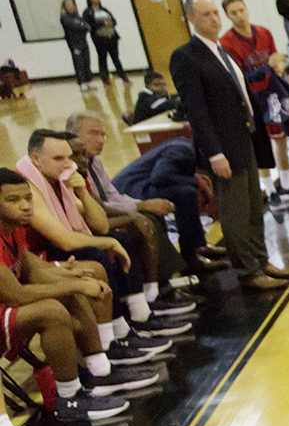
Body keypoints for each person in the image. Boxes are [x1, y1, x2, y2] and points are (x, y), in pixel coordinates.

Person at [0, 168, 136, 426]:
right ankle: (69, 399)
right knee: (52, 310)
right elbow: (16, 295)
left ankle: (100, 373)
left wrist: (75, 281)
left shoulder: (14, 227)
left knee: (72, 289)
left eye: (28, 198)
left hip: (7, 310)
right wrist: (75, 285)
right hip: (7, 307)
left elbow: (33, 270)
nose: (26, 205)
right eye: (13, 200)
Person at [172, 0, 289, 291]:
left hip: (246, 137)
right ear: (191, 19)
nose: (214, 18)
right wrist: (214, 153)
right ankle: (248, 272)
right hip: (224, 146)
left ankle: (261, 261)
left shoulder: (221, 50)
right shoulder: (187, 56)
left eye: (215, 13)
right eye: (206, 14)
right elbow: (197, 109)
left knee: (253, 207)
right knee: (236, 213)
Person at [64, 112, 200, 319]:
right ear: (71, 135)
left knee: (151, 215)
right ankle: (153, 292)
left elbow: (111, 195)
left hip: (104, 212)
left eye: (103, 134)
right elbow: (96, 206)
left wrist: (140, 206)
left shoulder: (94, 161)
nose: (100, 140)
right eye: (93, 133)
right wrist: (138, 208)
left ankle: (158, 285)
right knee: (141, 222)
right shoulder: (70, 166)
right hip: (86, 223)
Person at [220, 0, 289, 208]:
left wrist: (278, 63)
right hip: (251, 99)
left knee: (280, 138)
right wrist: (266, 67)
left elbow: (275, 58)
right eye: (234, 12)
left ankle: (288, 186)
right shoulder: (226, 43)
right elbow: (238, 78)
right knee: (261, 146)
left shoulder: (263, 32)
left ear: (247, 9)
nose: (240, 16)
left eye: (241, 10)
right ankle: (270, 191)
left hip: (271, 94)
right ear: (227, 15)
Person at [113, 137, 227, 274]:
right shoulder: (183, 150)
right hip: (129, 192)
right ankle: (191, 257)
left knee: (186, 190)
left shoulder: (185, 145)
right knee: (186, 193)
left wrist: (197, 180)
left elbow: (167, 174)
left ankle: (199, 246)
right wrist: (199, 183)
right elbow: (160, 177)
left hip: (138, 186)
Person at [81, 0, 128, 86]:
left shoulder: (104, 9)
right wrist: (102, 24)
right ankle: (105, 78)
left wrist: (111, 23)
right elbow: (88, 25)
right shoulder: (88, 12)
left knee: (116, 58)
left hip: (111, 36)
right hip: (100, 38)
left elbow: (113, 20)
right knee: (102, 58)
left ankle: (123, 76)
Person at [60, 0, 92, 91]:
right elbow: (74, 26)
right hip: (75, 44)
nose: (71, 6)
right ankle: (81, 82)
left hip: (83, 42)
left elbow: (85, 25)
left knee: (86, 61)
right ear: (65, 7)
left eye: (72, 4)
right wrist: (82, 26)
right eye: (69, 5)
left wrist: (83, 26)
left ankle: (87, 81)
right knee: (79, 62)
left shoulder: (77, 16)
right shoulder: (64, 17)